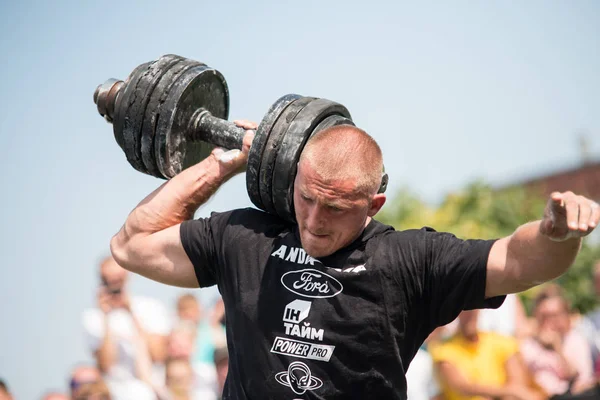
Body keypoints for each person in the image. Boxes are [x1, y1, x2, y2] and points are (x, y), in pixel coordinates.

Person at [109, 120, 600, 399]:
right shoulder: (245, 237)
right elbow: (132, 244)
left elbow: (521, 261)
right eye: (307, 198)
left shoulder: (409, 260)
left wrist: (556, 233)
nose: (315, 221)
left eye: (337, 208)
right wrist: (223, 161)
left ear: (373, 204)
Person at [82, 256, 172, 400]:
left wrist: (131, 312)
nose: (114, 284)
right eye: (107, 279)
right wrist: (106, 317)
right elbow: (106, 365)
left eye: (118, 278)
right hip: (115, 394)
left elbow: (158, 354)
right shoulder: (93, 317)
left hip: (152, 393)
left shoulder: (151, 307)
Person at [431, 309, 545, 400]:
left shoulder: (501, 341)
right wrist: (508, 391)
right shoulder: (443, 349)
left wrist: (509, 394)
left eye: (472, 309)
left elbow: (517, 381)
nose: (469, 314)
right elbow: (461, 387)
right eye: (464, 310)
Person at [521, 285, 595, 397]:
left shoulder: (575, 340)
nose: (549, 322)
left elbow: (577, 378)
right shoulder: (528, 344)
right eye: (544, 316)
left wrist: (557, 347)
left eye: (555, 315)